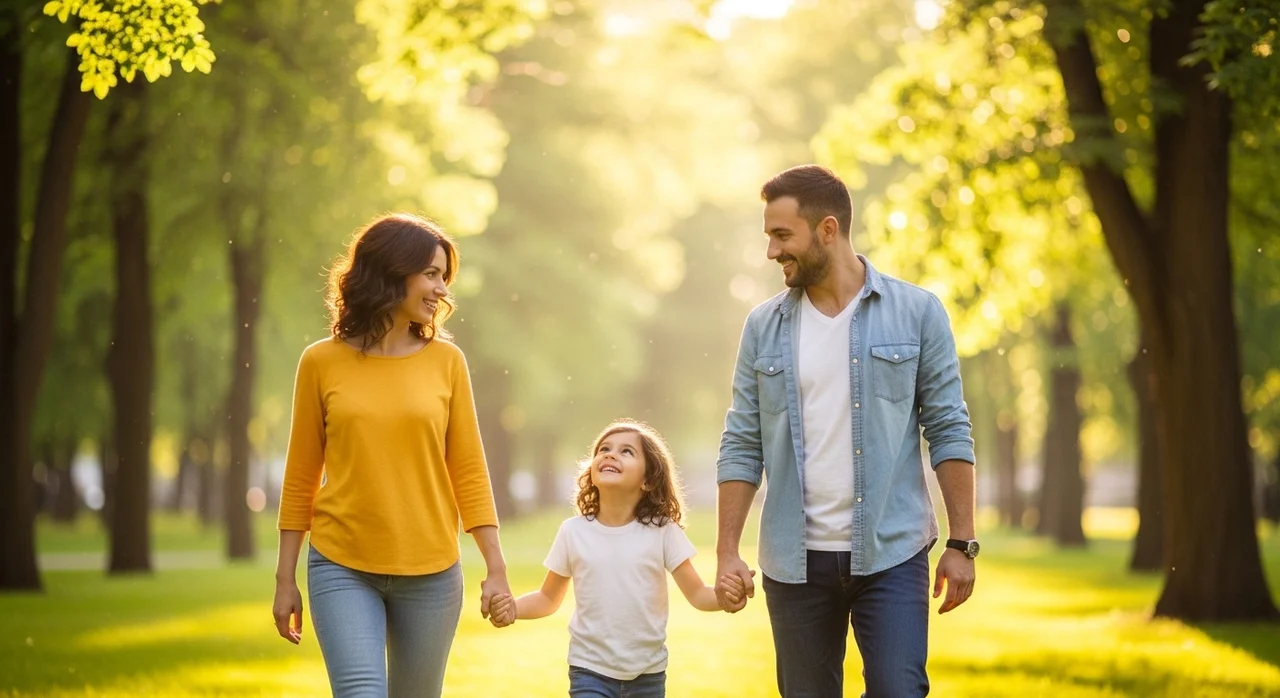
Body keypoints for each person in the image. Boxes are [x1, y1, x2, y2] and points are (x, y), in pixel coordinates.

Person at [713, 165, 978, 698]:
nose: (772, 252)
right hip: (795, 563)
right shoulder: (763, 327)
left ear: (827, 230)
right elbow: (742, 442)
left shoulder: (917, 313)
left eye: (782, 236)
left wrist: (962, 542)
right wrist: (725, 551)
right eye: (769, 236)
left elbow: (949, 428)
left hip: (892, 551)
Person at [271, 213, 513, 698]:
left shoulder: (448, 362)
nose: (442, 289)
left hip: (431, 571)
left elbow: (467, 469)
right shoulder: (320, 361)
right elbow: (301, 475)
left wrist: (497, 568)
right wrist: (284, 578)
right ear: (391, 271)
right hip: (341, 563)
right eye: (430, 274)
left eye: (445, 277)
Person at [489, 419, 737, 698]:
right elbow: (548, 598)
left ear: (648, 480)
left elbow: (698, 595)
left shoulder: (663, 532)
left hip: (648, 675)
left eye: (626, 451)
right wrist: (513, 608)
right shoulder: (573, 532)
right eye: (604, 449)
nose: (610, 454)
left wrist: (724, 597)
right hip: (589, 671)